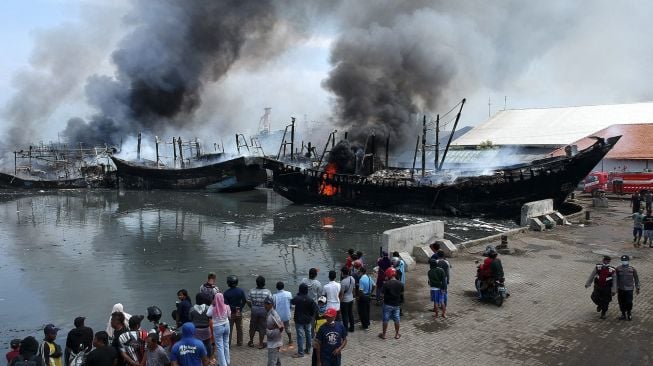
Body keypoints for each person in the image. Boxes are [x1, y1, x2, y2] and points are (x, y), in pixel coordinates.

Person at [291, 283, 318, 358]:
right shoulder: (310, 299)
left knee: (300, 336)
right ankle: (308, 350)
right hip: (308, 320)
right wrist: (310, 316)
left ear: (300, 290)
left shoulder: (297, 298)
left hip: (299, 320)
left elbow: (292, 301)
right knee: (308, 334)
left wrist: (298, 294)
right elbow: (313, 310)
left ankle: (300, 352)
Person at [247, 275, 272, 349]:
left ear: (256, 283)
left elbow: (248, 301)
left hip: (254, 310)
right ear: (264, 283)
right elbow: (270, 302)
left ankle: (251, 342)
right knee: (262, 327)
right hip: (263, 310)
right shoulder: (267, 292)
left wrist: (252, 307)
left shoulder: (252, 290)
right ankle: (261, 344)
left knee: (252, 326)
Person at [379, 267, 403, 340]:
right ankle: (397, 334)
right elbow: (401, 293)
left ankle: (384, 334)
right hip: (396, 304)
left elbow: (382, 295)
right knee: (397, 319)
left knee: (385, 319)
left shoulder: (386, 284)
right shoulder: (400, 283)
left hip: (387, 304)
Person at [207, 293, 230, 366]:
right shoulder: (227, 306)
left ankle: (223, 364)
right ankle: (227, 361)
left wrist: (211, 304)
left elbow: (208, 314)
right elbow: (229, 315)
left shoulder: (213, 308)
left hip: (218, 327)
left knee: (220, 346)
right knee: (226, 344)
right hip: (226, 325)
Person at [223, 275, 247, 347]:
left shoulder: (226, 293)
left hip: (230, 313)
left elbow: (226, 304)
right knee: (239, 328)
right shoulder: (241, 291)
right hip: (238, 311)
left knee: (229, 329)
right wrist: (240, 308)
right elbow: (244, 300)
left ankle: (228, 344)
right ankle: (240, 343)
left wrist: (232, 308)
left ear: (229, 283)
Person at [616, 255, 641, 321]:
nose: (624, 262)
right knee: (621, 302)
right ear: (621, 261)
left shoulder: (632, 269)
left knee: (629, 302)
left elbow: (636, 279)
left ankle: (629, 313)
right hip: (621, 288)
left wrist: (637, 287)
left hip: (629, 289)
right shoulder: (618, 269)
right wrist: (614, 288)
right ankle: (623, 314)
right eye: (623, 260)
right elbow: (615, 279)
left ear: (628, 261)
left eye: (625, 260)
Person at [188, 293, 212, 357]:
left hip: (196, 330)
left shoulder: (192, 309)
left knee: (197, 344)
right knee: (208, 344)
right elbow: (210, 317)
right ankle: (209, 357)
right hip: (206, 329)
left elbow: (190, 319)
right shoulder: (208, 308)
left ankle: (199, 356)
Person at [264, 297, 284, 366]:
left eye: (268, 304)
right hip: (273, 342)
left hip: (274, 344)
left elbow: (281, 327)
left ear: (272, 304)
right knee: (277, 362)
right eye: (265, 303)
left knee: (271, 363)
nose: (266, 305)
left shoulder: (273, 315)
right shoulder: (269, 313)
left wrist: (269, 332)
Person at [339, 267, 356, 333]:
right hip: (351, 298)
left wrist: (339, 302)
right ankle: (352, 328)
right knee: (350, 313)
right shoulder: (352, 278)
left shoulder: (343, 282)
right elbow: (354, 289)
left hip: (345, 301)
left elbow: (342, 294)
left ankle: (345, 329)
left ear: (343, 273)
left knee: (345, 315)